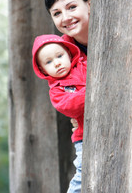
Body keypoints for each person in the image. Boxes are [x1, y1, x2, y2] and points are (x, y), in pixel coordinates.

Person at [44, 0, 91, 192]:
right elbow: (62, 95)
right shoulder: (61, 54)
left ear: (89, 4)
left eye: (72, 7)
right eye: (57, 13)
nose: (66, 17)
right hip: (90, 134)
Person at [32, 34, 87, 193]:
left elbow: (70, 38)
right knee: (84, 171)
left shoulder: (83, 65)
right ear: (42, 69)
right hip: (83, 136)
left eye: (60, 56)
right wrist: (91, 90)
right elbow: (70, 105)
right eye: (48, 62)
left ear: (69, 54)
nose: (57, 63)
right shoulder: (57, 90)